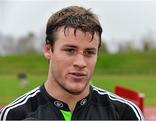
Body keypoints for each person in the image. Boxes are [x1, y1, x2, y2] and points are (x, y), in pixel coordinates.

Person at [0, 6, 144, 120]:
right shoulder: (15, 115)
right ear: (48, 49)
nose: (80, 63)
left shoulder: (124, 113)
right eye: (70, 50)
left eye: (89, 52)